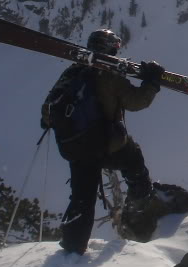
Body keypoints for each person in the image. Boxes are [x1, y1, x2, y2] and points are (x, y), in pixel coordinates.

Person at [41, 27, 164, 255]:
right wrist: (152, 83)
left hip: (74, 146)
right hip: (105, 144)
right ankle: (140, 207)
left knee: (82, 197)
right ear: (112, 49)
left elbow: (47, 111)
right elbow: (136, 102)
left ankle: (72, 247)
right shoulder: (109, 74)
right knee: (133, 159)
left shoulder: (72, 72)